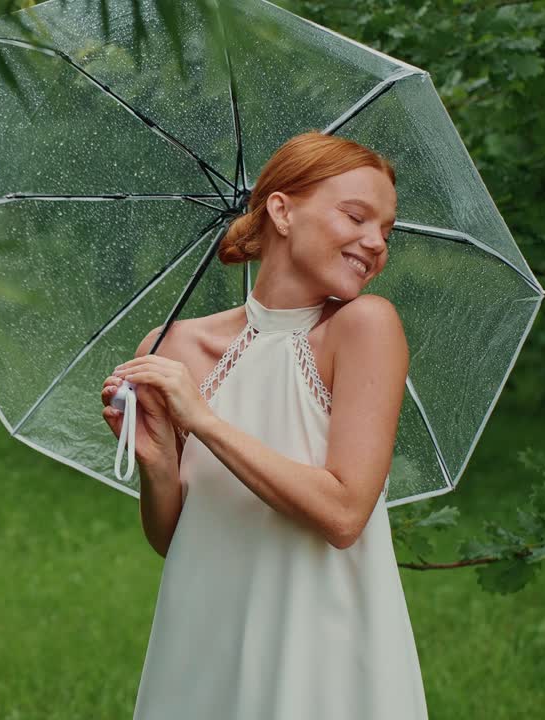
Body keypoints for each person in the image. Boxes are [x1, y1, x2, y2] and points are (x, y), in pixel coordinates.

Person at [101, 131, 429, 719]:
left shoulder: (364, 328)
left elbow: (344, 512)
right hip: (203, 633)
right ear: (281, 210)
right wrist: (156, 463)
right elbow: (172, 539)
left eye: (387, 230)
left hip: (321, 643)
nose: (375, 242)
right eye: (356, 216)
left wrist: (202, 421)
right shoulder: (172, 348)